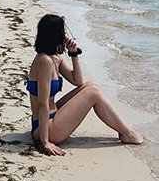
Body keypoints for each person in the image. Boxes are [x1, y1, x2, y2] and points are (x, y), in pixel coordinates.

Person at [26, 13, 143, 156]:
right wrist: (45, 142)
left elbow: (78, 81)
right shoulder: (44, 61)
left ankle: (124, 131)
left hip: (50, 119)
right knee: (93, 92)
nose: (65, 35)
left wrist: (73, 54)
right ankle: (127, 133)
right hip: (45, 128)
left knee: (89, 86)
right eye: (62, 32)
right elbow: (43, 104)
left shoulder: (55, 58)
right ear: (55, 34)